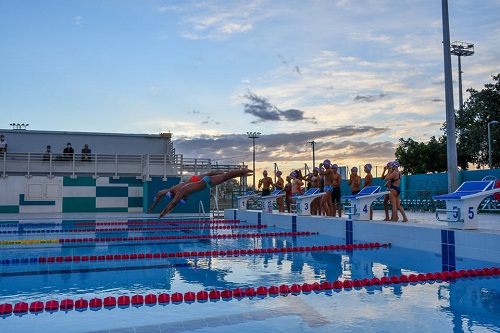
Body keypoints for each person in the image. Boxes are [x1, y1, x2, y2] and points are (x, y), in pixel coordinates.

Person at [158, 168, 253, 218]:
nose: (184, 200)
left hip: (206, 182)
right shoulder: (182, 191)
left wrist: (163, 213)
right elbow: (174, 203)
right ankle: (241, 173)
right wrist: (165, 212)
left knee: (225, 177)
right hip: (206, 182)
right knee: (225, 177)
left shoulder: (181, 191)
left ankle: (242, 171)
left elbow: (173, 203)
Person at [148, 171, 224, 213]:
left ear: (170, 192)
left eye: (171, 192)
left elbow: (159, 195)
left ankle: (221, 173)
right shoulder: (178, 194)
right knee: (208, 180)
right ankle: (220, 176)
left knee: (207, 175)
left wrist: (153, 205)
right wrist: (153, 206)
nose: (172, 192)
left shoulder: (169, 191)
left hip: (192, 181)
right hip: (194, 185)